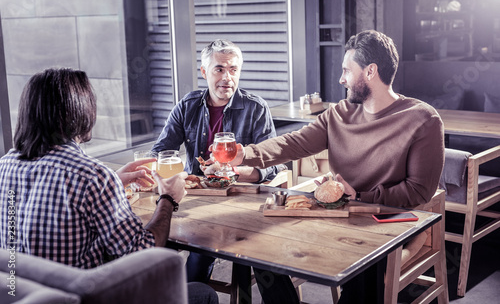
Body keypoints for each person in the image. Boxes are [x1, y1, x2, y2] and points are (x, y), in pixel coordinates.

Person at [229, 30, 445, 303]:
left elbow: (419, 192)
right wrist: (244, 154)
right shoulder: (339, 113)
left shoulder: (423, 119)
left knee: (363, 265)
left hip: (384, 220)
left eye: (346, 70)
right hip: (336, 214)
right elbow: (293, 144)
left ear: (370, 71)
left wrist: (360, 196)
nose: (341, 79)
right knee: (259, 245)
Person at [0, 68, 218, 304]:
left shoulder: (4, 166)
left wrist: (113, 178)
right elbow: (144, 254)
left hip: (27, 296)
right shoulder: (92, 176)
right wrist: (168, 199)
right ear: (79, 111)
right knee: (203, 294)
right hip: (92, 297)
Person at [151, 39, 286, 285]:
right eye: (219, 69)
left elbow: (274, 164)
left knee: (200, 253)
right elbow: (161, 150)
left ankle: (194, 295)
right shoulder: (187, 105)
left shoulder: (256, 108)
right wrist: (181, 175)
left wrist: (235, 171)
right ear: (204, 72)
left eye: (233, 70)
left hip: (242, 201)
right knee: (154, 248)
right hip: (194, 198)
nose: (227, 77)